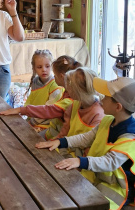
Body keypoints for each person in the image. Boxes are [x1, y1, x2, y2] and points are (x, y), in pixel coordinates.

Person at [35, 77, 135, 209]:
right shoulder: (108, 120)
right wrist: (60, 142)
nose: (101, 99)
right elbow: (86, 138)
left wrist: (80, 161)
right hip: (97, 175)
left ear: (118, 107)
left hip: (117, 188)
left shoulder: (130, 135)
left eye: (105, 97)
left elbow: (110, 162)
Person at [0, 56, 82, 139]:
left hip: (58, 135)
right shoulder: (67, 92)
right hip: (53, 130)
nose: (54, 78)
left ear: (61, 76)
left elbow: (48, 110)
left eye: (55, 75)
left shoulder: (69, 100)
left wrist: (21, 110)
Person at [23, 49, 64, 131]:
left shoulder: (55, 85)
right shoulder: (35, 81)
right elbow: (31, 101)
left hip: (49, 124)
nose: (44, 70)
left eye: (47, 66)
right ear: (34, 68)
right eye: (39, 67)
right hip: (33, 120)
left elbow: (49, 110)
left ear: (52, 66)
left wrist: (32, 122)